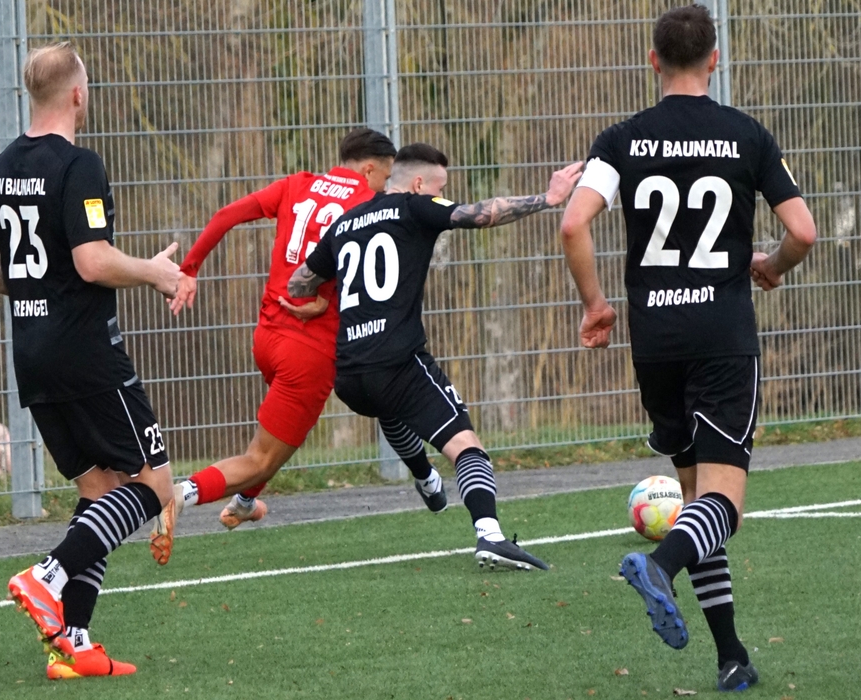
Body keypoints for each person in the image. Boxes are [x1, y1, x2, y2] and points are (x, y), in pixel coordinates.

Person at [559, 5, 816, 692]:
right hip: (721, 337)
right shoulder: (746, 135)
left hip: (656, 341)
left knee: (697, 495)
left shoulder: (622, 139)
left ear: (653, 61)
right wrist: (772, 266)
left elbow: (574, 223)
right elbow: (803, 231)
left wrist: (596, 305)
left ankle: (731, 656)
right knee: (723, 504)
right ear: (715, 60)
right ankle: (661, 564)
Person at [0, 42, 182, 679]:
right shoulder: (80, 164)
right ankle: (47, 577)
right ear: (78, 95)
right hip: (87, 354)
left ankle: (72, 645)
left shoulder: (1, 168)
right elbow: (92, 260)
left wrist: (32, 290)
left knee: (98, 491)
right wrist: (155, 272)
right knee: (154, 485)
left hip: (32, 354)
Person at [150, 129, 446, 564]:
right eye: (386, 177)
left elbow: (227, 215)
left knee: (276, 442)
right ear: (369, 169)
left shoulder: (297, 185)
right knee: (261, 458)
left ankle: (245, 503)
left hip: (268, 337)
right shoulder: (367, 203)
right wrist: (328, 301)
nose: (387, 185)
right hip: (308, 351)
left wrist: (190, 269)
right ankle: (178, 495)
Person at [289, 143, 582, 571]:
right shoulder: (413, 206)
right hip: (397, 362)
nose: (441, 195)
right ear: (418, 183)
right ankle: (490, 535)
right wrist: (549, 198)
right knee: (466, 446)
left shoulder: (346, 221)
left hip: (349, 375)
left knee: (390, 407)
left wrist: (319, 300)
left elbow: (299, 282)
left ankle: (425, 478)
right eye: (439, 188)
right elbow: (480, 214)